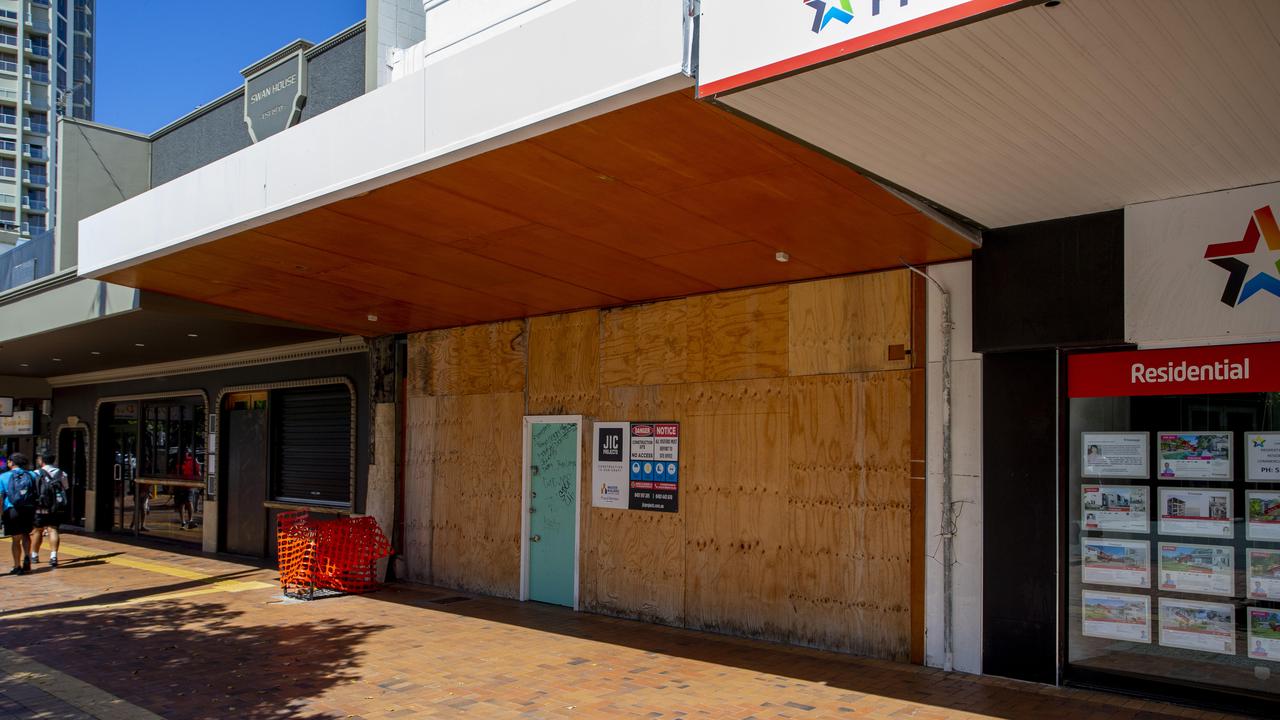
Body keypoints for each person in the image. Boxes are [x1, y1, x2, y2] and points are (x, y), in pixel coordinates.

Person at [0, 453, 38, 574]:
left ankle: (17, 565)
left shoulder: (3, 476)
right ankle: (27, 556)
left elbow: (0, 497)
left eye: (8, 461)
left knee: (15, 539)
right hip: (28, 509)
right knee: (26, 534)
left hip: (12, 509)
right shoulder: (31, 474)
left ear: (11, 462)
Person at [30, 453, 68, 568]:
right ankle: (53, 556)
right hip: (55, 507)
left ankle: (34, 555)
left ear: (42, 460)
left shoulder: (36, 473)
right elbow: (65, 488)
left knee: (38, 530)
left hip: (41, 506)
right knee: (53, 529)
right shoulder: (62, 473)